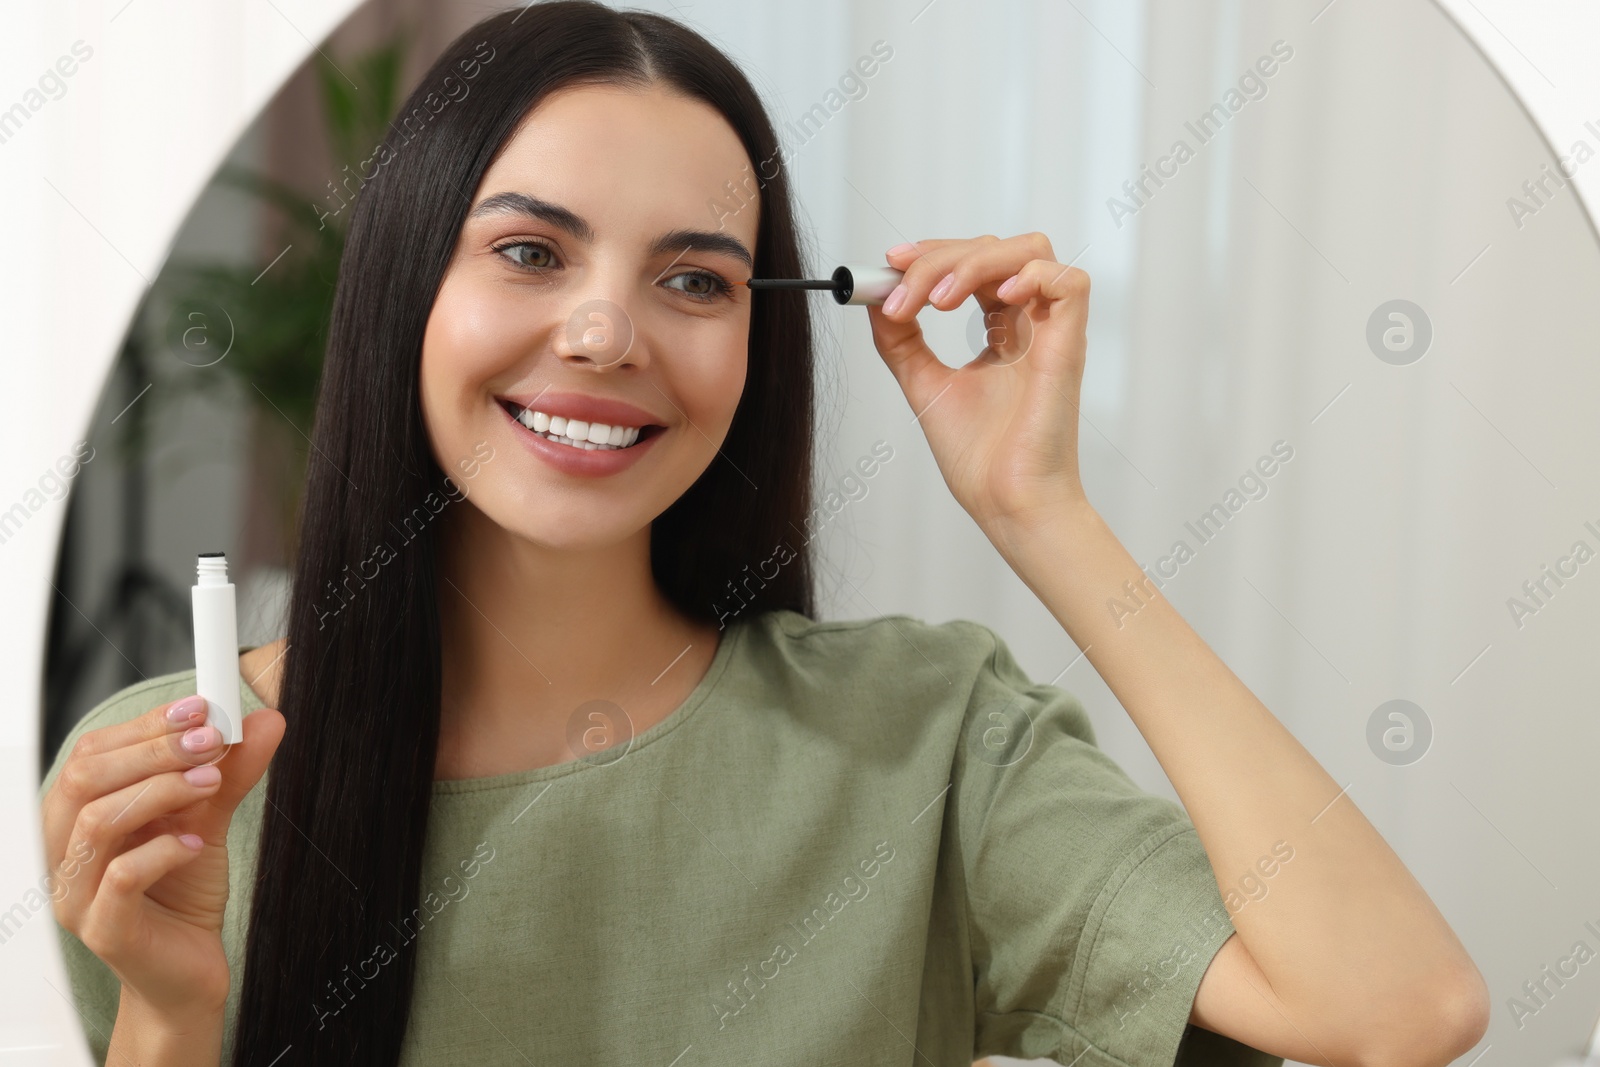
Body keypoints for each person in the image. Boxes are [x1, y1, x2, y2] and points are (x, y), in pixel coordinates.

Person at [36, 2, 1490, 1065]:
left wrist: (1038, 510)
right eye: (531, 252)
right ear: (409, 290)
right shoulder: (181, 774)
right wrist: (169, 1010)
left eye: (696, 280)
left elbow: (1397, 1008)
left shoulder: (927, 740)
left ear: (761, 341)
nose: (606, 332)